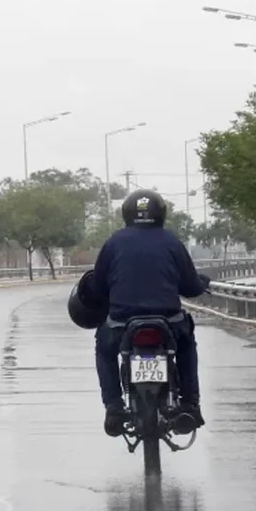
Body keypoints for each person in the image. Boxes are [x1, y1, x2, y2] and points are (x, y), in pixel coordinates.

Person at [90, 188, 210, 438]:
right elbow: (190, 287)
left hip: (122, 323)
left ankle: (113, 407)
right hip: (169, 323)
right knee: (187, 347)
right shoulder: (172, 242)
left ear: (126, 214)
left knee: (104, 348)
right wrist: (202, 282)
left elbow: (98, 286)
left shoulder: (113, 242)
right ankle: (190, 404)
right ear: (161, 214)